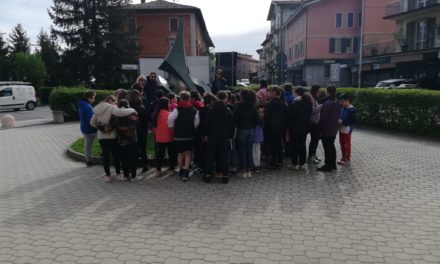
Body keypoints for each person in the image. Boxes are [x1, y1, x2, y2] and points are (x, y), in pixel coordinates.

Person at [90, 95, 136, 182]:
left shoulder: (97, 109)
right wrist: (132, 110)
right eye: (115, 101)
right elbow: (120, 112)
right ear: (111, 100)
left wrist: (100, 127)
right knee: (116, 156)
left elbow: (92, 122)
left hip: (101, 137)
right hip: (112, 136)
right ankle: (118, 174)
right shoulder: (112, 107)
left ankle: (108, 176)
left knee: (106, 156)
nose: (116, 103)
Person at [167, 91, 200, 181]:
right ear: (189, 98)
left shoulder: (177, 109)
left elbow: (170, 118)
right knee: (188, 153)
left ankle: (181, 171)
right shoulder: (194, 110)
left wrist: (172, 127)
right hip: (189, 134)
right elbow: (197, 122)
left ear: (180, 98)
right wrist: (192, 128)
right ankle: (186, 171)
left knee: (180, 153)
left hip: (178, 135)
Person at [204, 91, 234, 184]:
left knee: (210, 156)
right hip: (224, 136)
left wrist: (206, 134)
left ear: (217, 97)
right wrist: (230, 136)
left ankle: (208, 175)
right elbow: (231, 125)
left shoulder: (211, 109)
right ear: (225, 98)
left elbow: (207, 123)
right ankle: (225, 176)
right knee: (224, 156)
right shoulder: (228, 110)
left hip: (212, 136)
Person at [234, 89, 259, 178]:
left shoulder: (239, 106)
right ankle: (249, 170)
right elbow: (257, 119)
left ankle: (243, 170)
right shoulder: (253, 106)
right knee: (249, 150)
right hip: (250, 130)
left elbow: (235, 119)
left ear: (242, 96)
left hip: (241, 129)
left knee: (242, 150)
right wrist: (252, 125)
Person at [288, 87, 313, 170]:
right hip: (304, 127)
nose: (293, 94)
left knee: (294, 146)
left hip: (294, 128)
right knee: (302, 145)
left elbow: (290, 117)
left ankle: (294, 163)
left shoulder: (294, 103)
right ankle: (302, 163)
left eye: (294, 93)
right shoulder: (308, 102)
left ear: (297, 93)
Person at [264, 86, 288, 169]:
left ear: (274, 92)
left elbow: (266, 117)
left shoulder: (269, 104)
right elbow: (286, 116)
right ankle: (280, 160)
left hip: (272, 127)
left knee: (273, 145)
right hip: (282, 128)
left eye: (270, 92)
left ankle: (273, 162)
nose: (268, 94)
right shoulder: (284, 103)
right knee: (279, 144)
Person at [317, 86, 341, 172]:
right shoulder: (337, 101)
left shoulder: (327, 103)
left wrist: (319, 129)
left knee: (327, 147)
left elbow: (324, 118)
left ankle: (327, 166)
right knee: (331, 146)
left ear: (327, 92)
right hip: (334, 128)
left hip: (327, 129)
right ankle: (333, 164)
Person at [115, 99, 139, 181]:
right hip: (132, 139)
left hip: (122, 140)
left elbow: (116, 126)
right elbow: (136, 124)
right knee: (133, 158)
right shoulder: (133, 113)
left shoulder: (116, 114)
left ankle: (126, 175)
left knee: (124, 158)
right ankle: (133, 176)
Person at [153, 97, 176, 176]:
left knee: (160, 153)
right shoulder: (169, 113)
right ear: (167, 104)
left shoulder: (156, 114)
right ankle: (172, 168)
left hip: (159, 136)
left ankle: (158, 170)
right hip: (169, 136)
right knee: (171, 153)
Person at [129, 90, 149, 173]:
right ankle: (145, 165)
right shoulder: (142, 108)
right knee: (142, 149)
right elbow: (146, 121)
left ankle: (132, 166)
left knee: (133, 149)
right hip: (141, 131)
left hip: (132, 131)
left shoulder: (129, 108)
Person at [77, 91, 97, 166]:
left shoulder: (81, 105)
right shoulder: (87, 106)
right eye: (93, 98)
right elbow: (91, 120)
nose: (94, 100)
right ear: (89, 97)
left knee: (87, 146)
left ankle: (88, 160)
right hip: (91, 129)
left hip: (84, 128)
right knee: (103, 142)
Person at [337, 93, 357, 166]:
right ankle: (343, 158)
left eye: (342, 101)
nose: (341, 103)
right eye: (340, 101)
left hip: (347, 130)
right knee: (342, 144)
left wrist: (343, 121)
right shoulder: (342, 108)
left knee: (346, 144)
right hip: (341, 129)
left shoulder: (352, 110)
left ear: (347, 100)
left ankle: (347, 159)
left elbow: (353, 121)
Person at [307, 85, 323, 164]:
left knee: (315, 140)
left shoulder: (313, 98)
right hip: (312, 123)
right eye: (318, 91)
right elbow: (312, 111)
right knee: (314, 140)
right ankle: (310, 157)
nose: (319, 93)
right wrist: (321, 106)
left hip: (315, 122)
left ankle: (313, 155)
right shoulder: (311, 98)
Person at [190, 91, 205, 173]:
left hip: (198, 131)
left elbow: (197, 120)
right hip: (199, 130)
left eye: (190, 98)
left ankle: (198, 164)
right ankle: (197, 163)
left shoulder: (197, 106)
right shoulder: (200, 104)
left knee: (198, 148)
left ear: (193, 98)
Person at [252, 105, 264, 172]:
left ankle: (254, 165)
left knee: (253, 151)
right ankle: (257, 164)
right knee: (258, 150)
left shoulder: (256, 118)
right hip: (259, 137)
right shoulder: (262, 118)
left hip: (254, 136)